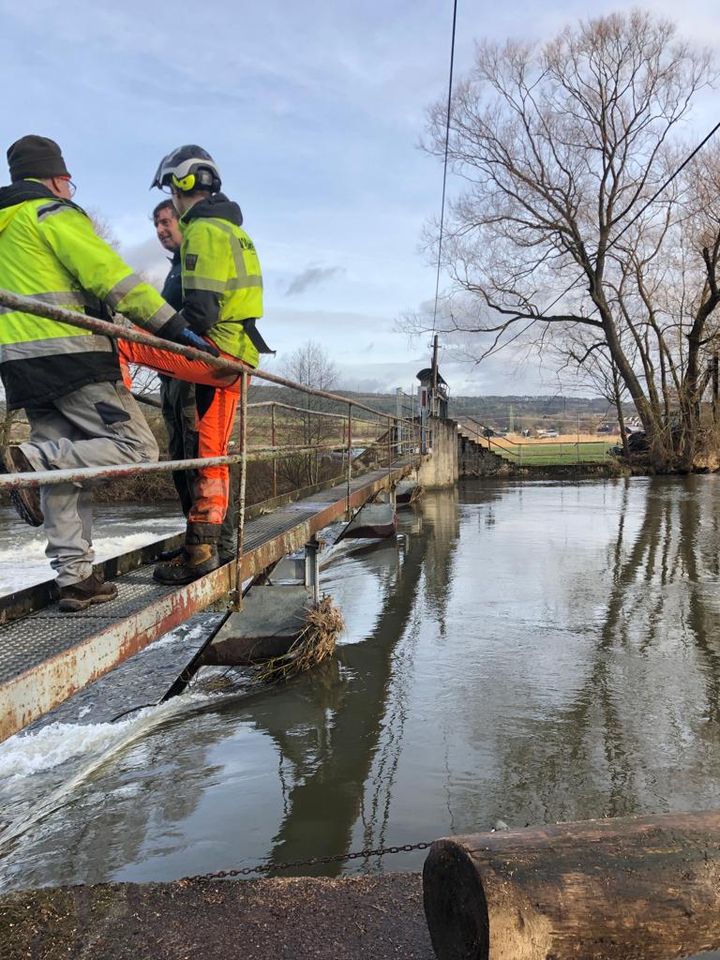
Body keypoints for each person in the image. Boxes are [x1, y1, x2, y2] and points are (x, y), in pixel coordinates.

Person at [0, 135, 215, 611]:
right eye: (68, 182)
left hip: (20, 367)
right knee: (137, 447)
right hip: (73, 357)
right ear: (56, 178)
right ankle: (31, 462)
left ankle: (75, 580)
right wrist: (175, 328)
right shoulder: (49, 214)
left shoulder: (4, 227)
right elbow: (110, 277)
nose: (70, 191)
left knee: (67, 467)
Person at [119, 145, 271, 585]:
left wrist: (151, 332)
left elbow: (201, 313)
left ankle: (118, 436)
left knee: (118, 341)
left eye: (172, 189)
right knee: (211, 454)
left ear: (184, 184)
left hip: (214, 352)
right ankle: (203, 548)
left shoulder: (203, 230)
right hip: (240, 357)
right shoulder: (237, 232)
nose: (174, 200)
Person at [151, 199, 237, 565]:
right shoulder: (174, 270)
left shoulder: (195, 262)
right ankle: (195, 541)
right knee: (181, 459)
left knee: (202, 456)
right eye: (155, 224)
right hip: (172, 376)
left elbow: (201, 316)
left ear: (183, 222)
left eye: (166, 221)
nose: (160, 229)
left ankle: (220, 544)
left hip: (193, 373)